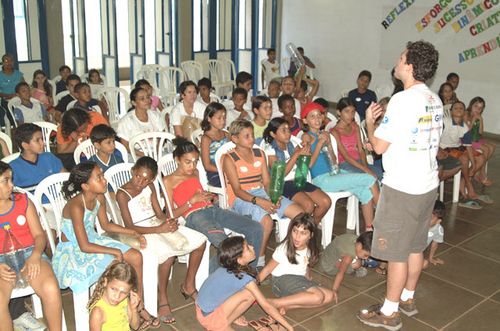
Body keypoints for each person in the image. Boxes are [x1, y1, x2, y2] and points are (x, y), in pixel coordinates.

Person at [358, 41, 442, 330]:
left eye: (402, 56)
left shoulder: (403, 100)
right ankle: (407, 298)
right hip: (427, 184)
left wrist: (370, 123)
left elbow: (378, 147)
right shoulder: (434, 99)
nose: (397, 59)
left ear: (409, 65)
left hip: (403, 187)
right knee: (415, 246)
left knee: (395, 252)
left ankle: (390, 312)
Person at [51, 162, 159, 328]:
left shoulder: (99, 196)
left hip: (93, 239)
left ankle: (137, 305)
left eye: (102, 175)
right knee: (116, 264)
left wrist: (133, 232)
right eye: (99, 177)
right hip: (74, 249)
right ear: (85, 186)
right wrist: (114, 251)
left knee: (136, 256)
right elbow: (83, 246)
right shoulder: (76, 206)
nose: (104, 180)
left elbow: (106, 225)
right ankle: (107, 309)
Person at [116, 156, 206, 324]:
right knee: (169, 254)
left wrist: (168, 222)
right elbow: (129, 226)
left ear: (152, 179)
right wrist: (159, 229)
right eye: (138, 176)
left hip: (156, 224)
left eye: (146, 179)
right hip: (138, 232)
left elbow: (158, 213)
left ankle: (189, 284)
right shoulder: (123, 194)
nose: (140, 182)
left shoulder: (150, 186)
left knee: (200, 241)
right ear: (133, 171)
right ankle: (163, 298)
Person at [164, 137, 263, 273]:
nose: (192, 166)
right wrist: (191, 201)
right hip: (196, 216)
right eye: (187, 162)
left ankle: (248, 271)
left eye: (195, 162)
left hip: (213, 209)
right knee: (226, 246)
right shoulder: (168, 180)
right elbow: (171, 214)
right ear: (177, 160)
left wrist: (209, 197)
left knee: (255, 228)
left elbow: (199, 194)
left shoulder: (195, 173)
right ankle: (213, 279)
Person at [224, 119, 303, 268]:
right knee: (266, 221)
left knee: (300, 214)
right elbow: (237, 191)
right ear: (234, 138)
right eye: (246, 136)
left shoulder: (259, 153)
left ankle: (287, 252)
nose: (252, 139)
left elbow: (267, 183)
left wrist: (274, 197)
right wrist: (260, 201)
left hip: (261, 192)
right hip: (241, 199)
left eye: (252, 135)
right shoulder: (229, 158)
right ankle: (259, 261)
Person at [0, 162, 63, 331]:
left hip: (30, 253)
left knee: (50, 287)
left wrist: (36, 255)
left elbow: (39, 235)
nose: (12, 185)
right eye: (5, 180)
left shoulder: (22, 201)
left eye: (11, 179)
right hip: (2, 261)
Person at [301, 102, 377, 231]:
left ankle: (369, 229)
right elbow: (308, 165)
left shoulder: (324, 134)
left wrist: (329, 144)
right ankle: (383, 218)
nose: (317, 119)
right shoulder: (306, 136)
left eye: (319, 115)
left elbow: (333, 161)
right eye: (312, 116)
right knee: (369, 179)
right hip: (321, 179)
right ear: (305, 120)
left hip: (333, 173)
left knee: (365, 192)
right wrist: (320, 143)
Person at [196, 236, 293, 331]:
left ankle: (225, 320)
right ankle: (217, 326)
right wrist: (289, 327)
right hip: (209, 317)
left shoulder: (229, 267)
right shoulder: (243, 277)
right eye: (247, 247)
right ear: (239, 259)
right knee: (251, 292)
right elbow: (266, 306)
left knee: (250, 293)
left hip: (202, 310)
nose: (252, 247)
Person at [257, 213, 334, 313]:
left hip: (298, 280)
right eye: (295, 231)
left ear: (311, 235)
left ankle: (287, 306)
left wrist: (307, 277)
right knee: (318, 297)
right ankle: (275, 302)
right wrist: (252, 287)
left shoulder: (309, 248)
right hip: (282, 280)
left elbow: (306, 264)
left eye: (303, 233)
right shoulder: (284, 248)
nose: (297, 237)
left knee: (329, 296)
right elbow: (267, 269)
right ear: (291, 231)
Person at [262, 117, 331, 225]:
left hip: (299, 179)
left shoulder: (293, 143)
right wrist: (296, 155)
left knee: (326, 202)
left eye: (288, 130)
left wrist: (306, 153)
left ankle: (311, 228)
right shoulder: (269, 149)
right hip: (283, 184)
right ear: (273, 134)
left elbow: (309, 165)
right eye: (283, 131)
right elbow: (280, 175)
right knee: (308, 205)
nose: (288, 133)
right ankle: (297, 233)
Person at [11, 123, 65, 232]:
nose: (43, 143)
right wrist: (35, 207)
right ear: (25, 145)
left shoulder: (49, 157)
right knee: (50, 233)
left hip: (60, 201)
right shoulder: (13, 168)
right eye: (37, 140)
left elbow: (66, 178)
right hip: (40, 208)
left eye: (42, 139)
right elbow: (13, 196)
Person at [440, 101, 491, 208]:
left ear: (464, 112)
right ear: (451, 111)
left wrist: (473, 164)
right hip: (445, 148)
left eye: (461, 108)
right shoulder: (445, 121)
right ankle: (468, 184)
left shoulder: (465, 127)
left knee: (480, 158)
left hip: (458, 147)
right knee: (463, 158)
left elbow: (467, 146)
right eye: (456, 108)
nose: (458, 110)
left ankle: (465, 179)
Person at [331, 97, 383, 181]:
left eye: (353, 112)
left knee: (379, 174)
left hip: (360, 162)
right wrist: (365, 169)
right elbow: (346, 156)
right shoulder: (335, 132)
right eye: (346, 111)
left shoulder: (355, 127)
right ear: (338, 112)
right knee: (368, 178)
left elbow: (361, 150)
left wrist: (366, 167)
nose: (350, 115)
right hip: (345, 165)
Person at [319, 232, 373, 301]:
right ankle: (352, 271)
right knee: (357, 264)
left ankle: (355, 261)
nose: (366, 258)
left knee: (359, 261)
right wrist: (334, 290)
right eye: (366, 255)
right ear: (359, 245)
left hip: (329, 256)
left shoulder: (356, 239)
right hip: (329, 267)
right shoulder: (349, 255)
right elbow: (341, 272)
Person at [88, 261, 141, 331]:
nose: (117, 296)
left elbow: (135, 326)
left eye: (124, 292)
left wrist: (133, 309)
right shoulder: (98, 312)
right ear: (105, 282)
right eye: (113, 289)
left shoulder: (125, 300)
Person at [117, 87, 165, 153]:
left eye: (148, 97)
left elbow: (162, 135)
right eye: (142, 99)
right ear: (134, 103)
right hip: (137, 155)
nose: (147, 100)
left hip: (157, 152)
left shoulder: (155, 116)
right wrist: (144, 155)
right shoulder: (126, 121)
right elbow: (126, 145)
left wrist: (156, 151)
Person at [466, 96, 496, 186]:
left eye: (480, 108)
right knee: (486, 149)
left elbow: (480, 132)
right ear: (471, 105)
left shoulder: (478, 116)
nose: (477, 110)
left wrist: (481, 120)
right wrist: (473, 120)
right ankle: (482, 174)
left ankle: (479, 171)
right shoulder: (466, 115)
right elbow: (466, 131)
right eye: (476, 106)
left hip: (475, 139)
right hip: (467, 140)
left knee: (492, 147)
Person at [200, 102, 229, 187]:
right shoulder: (206, 139)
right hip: (215, 174)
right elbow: (207, 165)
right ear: (209, 119)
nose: (223, 121)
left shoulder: (226, 135)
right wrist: (224, 170)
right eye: (219, 118)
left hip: (228, 170)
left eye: (224, 118)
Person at [0, 54, 24, 127]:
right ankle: (14, 128)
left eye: (11, 61)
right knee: (11, 113)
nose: (9, 63)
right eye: (6, 61)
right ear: (3, 63)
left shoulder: (18, 74)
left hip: (19, 99)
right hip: (6, 100)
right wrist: (9, 96)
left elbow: (24, 87)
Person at [423, 200, 445, 269]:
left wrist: (431, 258)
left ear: (438, 221)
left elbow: (434, 245)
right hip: (404, 249)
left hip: (415, 253)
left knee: (425, 264)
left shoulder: (438, 230)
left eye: (431, 218)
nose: (426, 219)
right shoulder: (417, 223)